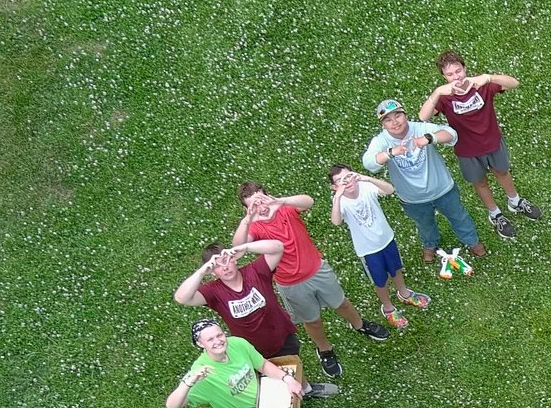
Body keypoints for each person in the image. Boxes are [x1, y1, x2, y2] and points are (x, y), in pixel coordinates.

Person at [233, 183, 390, 386]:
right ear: (246, 209)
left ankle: (360, 325)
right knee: (312, 320)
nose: (261, 206)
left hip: (318, 270)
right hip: (290, 283)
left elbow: (309, 201)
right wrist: (247, 219)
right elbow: (238, 247)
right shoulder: (254, 226)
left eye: (262, 199)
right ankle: (325, 350)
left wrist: (280, 201)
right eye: (253, 204)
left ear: (268, 195)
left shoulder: (285, 208)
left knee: (341, 303)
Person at [421, 54, 540, 237]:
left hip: (492, 141)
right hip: (467, 151)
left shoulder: (481, 86)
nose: (456, 77)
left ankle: (514, 201)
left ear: (465, 68)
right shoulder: (445, 97)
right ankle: (495, 214)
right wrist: (437, 92)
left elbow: (514, 83)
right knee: (480, 182)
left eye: (458, 71)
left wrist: (489, 77)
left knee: (502, 172)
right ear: (444, 77)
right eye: (450, 74)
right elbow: (423, 117)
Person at [364, 100, 483, 275]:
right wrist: (391, 152)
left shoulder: (419, 128)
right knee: (425, 225)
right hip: (413, 198)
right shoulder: (381, 140)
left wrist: (428, 138)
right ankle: (430, 245)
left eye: (398, 115)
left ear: (405, 115)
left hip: (443, 189)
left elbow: (451, 134)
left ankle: (473, 241)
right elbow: (369, 163)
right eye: (388, 120)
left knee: (459, 216)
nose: (395, 122)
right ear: (383, 124)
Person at [164, 320, 308, 408]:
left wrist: (287, 379)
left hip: (263, 400)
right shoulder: (202, 373)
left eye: (219, 335)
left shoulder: (237, 344)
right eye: (210, 339)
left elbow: (263, 365)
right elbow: (172, 405)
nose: (218, 341)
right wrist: (189, 381)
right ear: (200, 343)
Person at [329, 165, 428, 322]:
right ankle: (388, 307)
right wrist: (338, 197)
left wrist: (366, 178)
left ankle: (404, 293)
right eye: (339, 181)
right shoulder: (339, 201)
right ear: (334, 187)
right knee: (380, 280)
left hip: (387, 239)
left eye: (348, 177)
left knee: (396, 269)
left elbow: (389, 190)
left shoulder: (366, 186)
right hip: (368, 250)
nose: (346, 182)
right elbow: (336, 221)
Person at [176, 239, 300, 362]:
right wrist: (202, 271)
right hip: (249, 352)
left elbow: (278, 247)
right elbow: (181, 298)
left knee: (296, 374)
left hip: (283, 340)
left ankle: (305, 383)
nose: (224, 268)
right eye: (217, 266)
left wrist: (245, 247)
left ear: (234, 259)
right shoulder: (212, 291)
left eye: (226, 260)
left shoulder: (255, 271)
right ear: (212, 272)